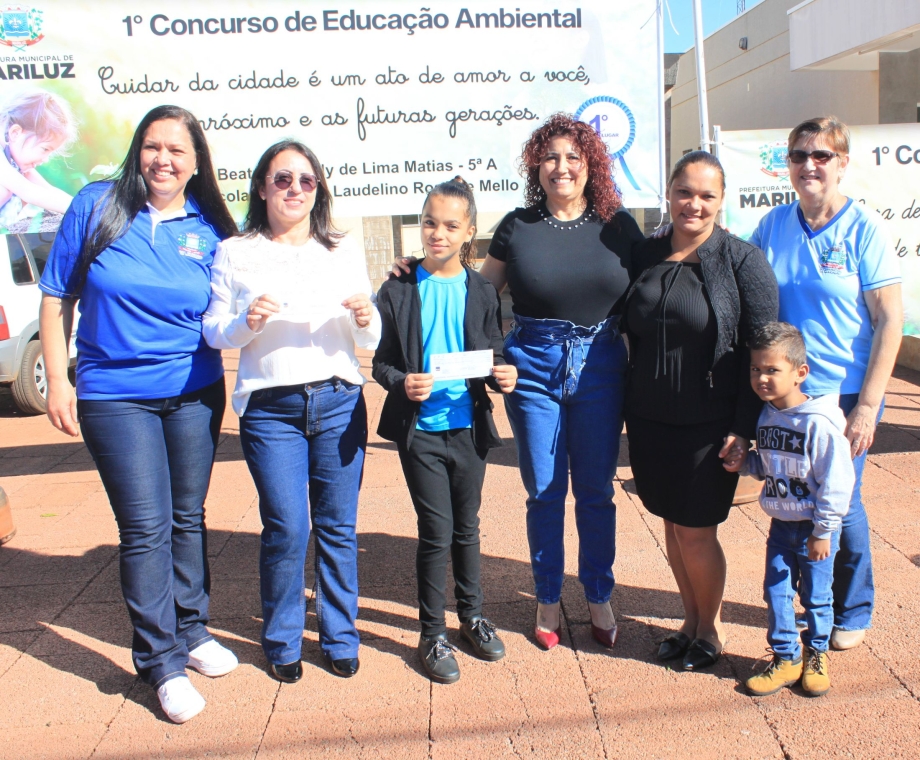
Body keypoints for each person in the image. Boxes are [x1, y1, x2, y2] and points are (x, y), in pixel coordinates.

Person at [396, 113, 643, 650]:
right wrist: (416, 267)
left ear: (591, 165)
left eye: (573, 158)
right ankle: (548, 595)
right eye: (550, 157)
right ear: (537, 164)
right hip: (533, 367)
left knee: (597, 491)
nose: (561, 168)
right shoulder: (517, 225)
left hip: (600, 364)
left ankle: (598, 593)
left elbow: (653, 286)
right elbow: (475, 296)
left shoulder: (618, 225)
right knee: (546, 490)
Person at [39, 105, 241, 723]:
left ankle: (191, 628)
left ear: (196, 161)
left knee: (187, 518)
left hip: (194, 393)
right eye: (153, 146)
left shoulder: (209, 226)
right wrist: (57, 381)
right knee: (146, 527)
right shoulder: (96, 205)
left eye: (178, 150)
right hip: (114, 395)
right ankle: (159, 661)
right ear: (137, 151)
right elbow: (55, 296)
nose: (163, 159)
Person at [201, 140, 379, 684]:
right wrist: (244, 324)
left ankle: (339, 635)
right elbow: (213, 330)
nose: (295, 189)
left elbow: (369, 337)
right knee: (286, 527)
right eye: (283, 179)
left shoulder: (341, 248)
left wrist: (367, 315)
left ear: (318, 187)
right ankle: (281, 639)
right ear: (262, 187)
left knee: (338, 528)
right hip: (271, 409)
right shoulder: (237, 251)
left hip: (337, 399)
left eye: (306, 180)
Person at [749, 117, 903, 651]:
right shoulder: (773, 225)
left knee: (840, 497)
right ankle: (812, 598)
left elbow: (889, 320)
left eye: (820, 155)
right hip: (789, 392)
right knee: (799, 494)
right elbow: (741, 279)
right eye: (798, 156)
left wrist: (868, 405)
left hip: (843, 393)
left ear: (841, 163)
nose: (808, 165)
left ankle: (851, 607)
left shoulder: (863, 228)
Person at [620, 150, 778, 671]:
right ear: (669, 192)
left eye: (707, 195)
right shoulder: (643, 254)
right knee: (670, 522)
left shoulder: (741, 260)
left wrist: (743, 426)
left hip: (709, 424)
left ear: (721, 200)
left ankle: (710, 630)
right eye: (685, 191)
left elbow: (761, 349)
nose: (694, 203)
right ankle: (688, 621)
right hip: (648, 418)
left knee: (696, 530)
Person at [373, 178, 517, 683]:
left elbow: (494, 353)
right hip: (422, 434)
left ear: (469, 232)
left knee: (467, 527)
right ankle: (432, 632)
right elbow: (382, 363)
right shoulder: (398, 287)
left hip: (468, 429)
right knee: (436, 531)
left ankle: (472, 618)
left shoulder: (481, 290)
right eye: (430, 222)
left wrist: (506, 374)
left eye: (450, 225)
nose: (438, 232)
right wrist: (401, 382)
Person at [738, 322, 855, 698]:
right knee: (775, 592)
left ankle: (816, 653)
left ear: (800, 373)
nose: (762, 378)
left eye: (773, 370)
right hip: (780, 527)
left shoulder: (819, 424)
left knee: (817, 596)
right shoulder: (767, 416)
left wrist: (824, 531)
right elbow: (769, 465)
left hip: (813, 529)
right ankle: (786, 657)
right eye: (756, 369)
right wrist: (745, 462)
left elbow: (837, 483)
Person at [0, 89, 77, 227]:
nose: (46, 159)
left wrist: (87, 208)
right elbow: (29, 192)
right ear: (15, 133)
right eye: (45, 149)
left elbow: (49, 190)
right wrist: (83, 211)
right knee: (6, 191)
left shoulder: (16, 163)